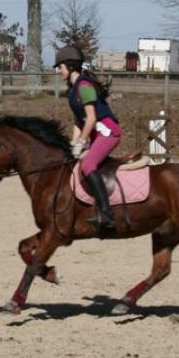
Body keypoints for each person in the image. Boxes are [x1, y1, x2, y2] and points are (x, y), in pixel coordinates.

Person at [53, 45, 122, 230]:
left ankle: (107, 213)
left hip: (108, 132)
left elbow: (91, 118)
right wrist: (73, 145)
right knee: (74, 161)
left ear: (71, 67)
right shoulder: (72, 90)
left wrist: (82, 142)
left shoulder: (84, 86)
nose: (59, 71)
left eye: (60, 67)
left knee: (88, 164)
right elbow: (78, 121)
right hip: (95, 134)